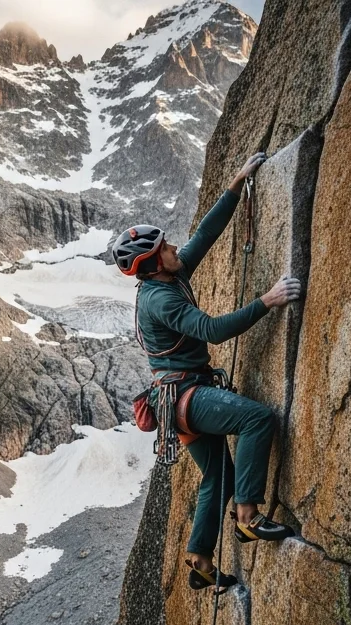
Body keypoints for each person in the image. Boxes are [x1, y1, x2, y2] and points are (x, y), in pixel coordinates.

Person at [112, 152, 303, 594]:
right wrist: (267, 301)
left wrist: (235, 185)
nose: (175, 247)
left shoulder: (165, 278)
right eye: (165, 247)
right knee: (256, 419)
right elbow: (213, 331)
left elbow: (205, 235)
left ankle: (199, 559)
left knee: (217, 477)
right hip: (188, 398)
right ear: (154, 262)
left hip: (174, 400)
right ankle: (249, 517)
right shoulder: (164, 300)